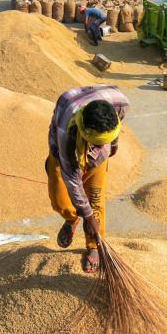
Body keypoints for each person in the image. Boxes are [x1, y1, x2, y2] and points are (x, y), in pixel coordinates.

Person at [46, 85, 130, 273]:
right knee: (59, 199)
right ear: (85, 133)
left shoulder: (120, 102)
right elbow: (73, 181)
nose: (98, 148)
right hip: (62, 152)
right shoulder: (66, 135)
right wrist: (87, 216)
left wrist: (113, 145)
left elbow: (118, 124)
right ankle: (71, 218)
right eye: (96, 144)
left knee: (95, 200)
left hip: (96, 157)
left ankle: (94, 245)